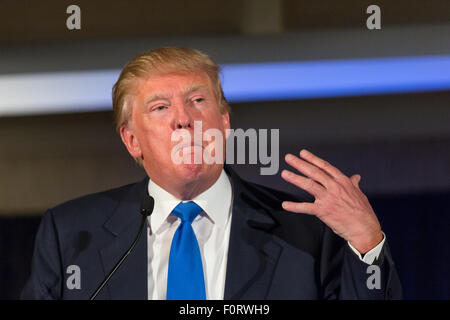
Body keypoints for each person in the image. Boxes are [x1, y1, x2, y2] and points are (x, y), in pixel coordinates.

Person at [21, 47, 402, 300]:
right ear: (132, 140)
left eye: (197, 100)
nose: (184, 119)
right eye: (159, 107)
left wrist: (366, 240)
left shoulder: (306, 232)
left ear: (224, 123)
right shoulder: (71, 234)